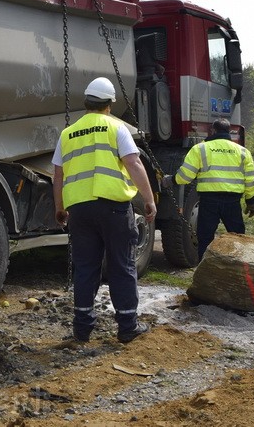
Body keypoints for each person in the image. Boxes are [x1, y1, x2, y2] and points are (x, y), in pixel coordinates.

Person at [52, 76, 157, 344]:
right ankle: (127, 327)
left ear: (86, 103)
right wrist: (148, 198)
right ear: (109, 104)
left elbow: (58, 175)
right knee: (122, 265)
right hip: (113, 209)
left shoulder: (67, 134)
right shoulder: (116, 127)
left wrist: (60, 208)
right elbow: (134, 164)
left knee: (85, 268)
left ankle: (82, 329)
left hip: (80, 211)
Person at [172, 118, 254, 260]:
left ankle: (204, 272)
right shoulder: (243, 152)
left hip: (208, 201)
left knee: (205, 239)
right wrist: (250, 202)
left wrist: (171, 180)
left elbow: (185, 176)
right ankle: (239, 271)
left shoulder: (200, 149)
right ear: (229, 131)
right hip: (232, 202)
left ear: (213, 130)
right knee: (238, 238)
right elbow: (250, 181)